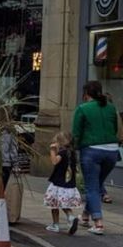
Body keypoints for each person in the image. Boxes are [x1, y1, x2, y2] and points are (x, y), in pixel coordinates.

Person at [72, 81, 120, 235]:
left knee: (92, 187)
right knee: (97, 185)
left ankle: (98, 223)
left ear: (86, 94)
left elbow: (76, 134)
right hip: (112, 152)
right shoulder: (111, 107)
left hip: (91, 151)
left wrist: (73, 148)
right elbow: (115, 129)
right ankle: (85, 217)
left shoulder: (82, 109)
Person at [43, 132, 83, 235]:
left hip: (58, 184)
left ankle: (55, 225)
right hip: (69, 185)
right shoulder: (72, 153)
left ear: (60, 142)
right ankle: (71, 217)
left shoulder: (62, 153)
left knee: (54, 205)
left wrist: (52, 151)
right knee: (64, 205)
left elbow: (55, 162)